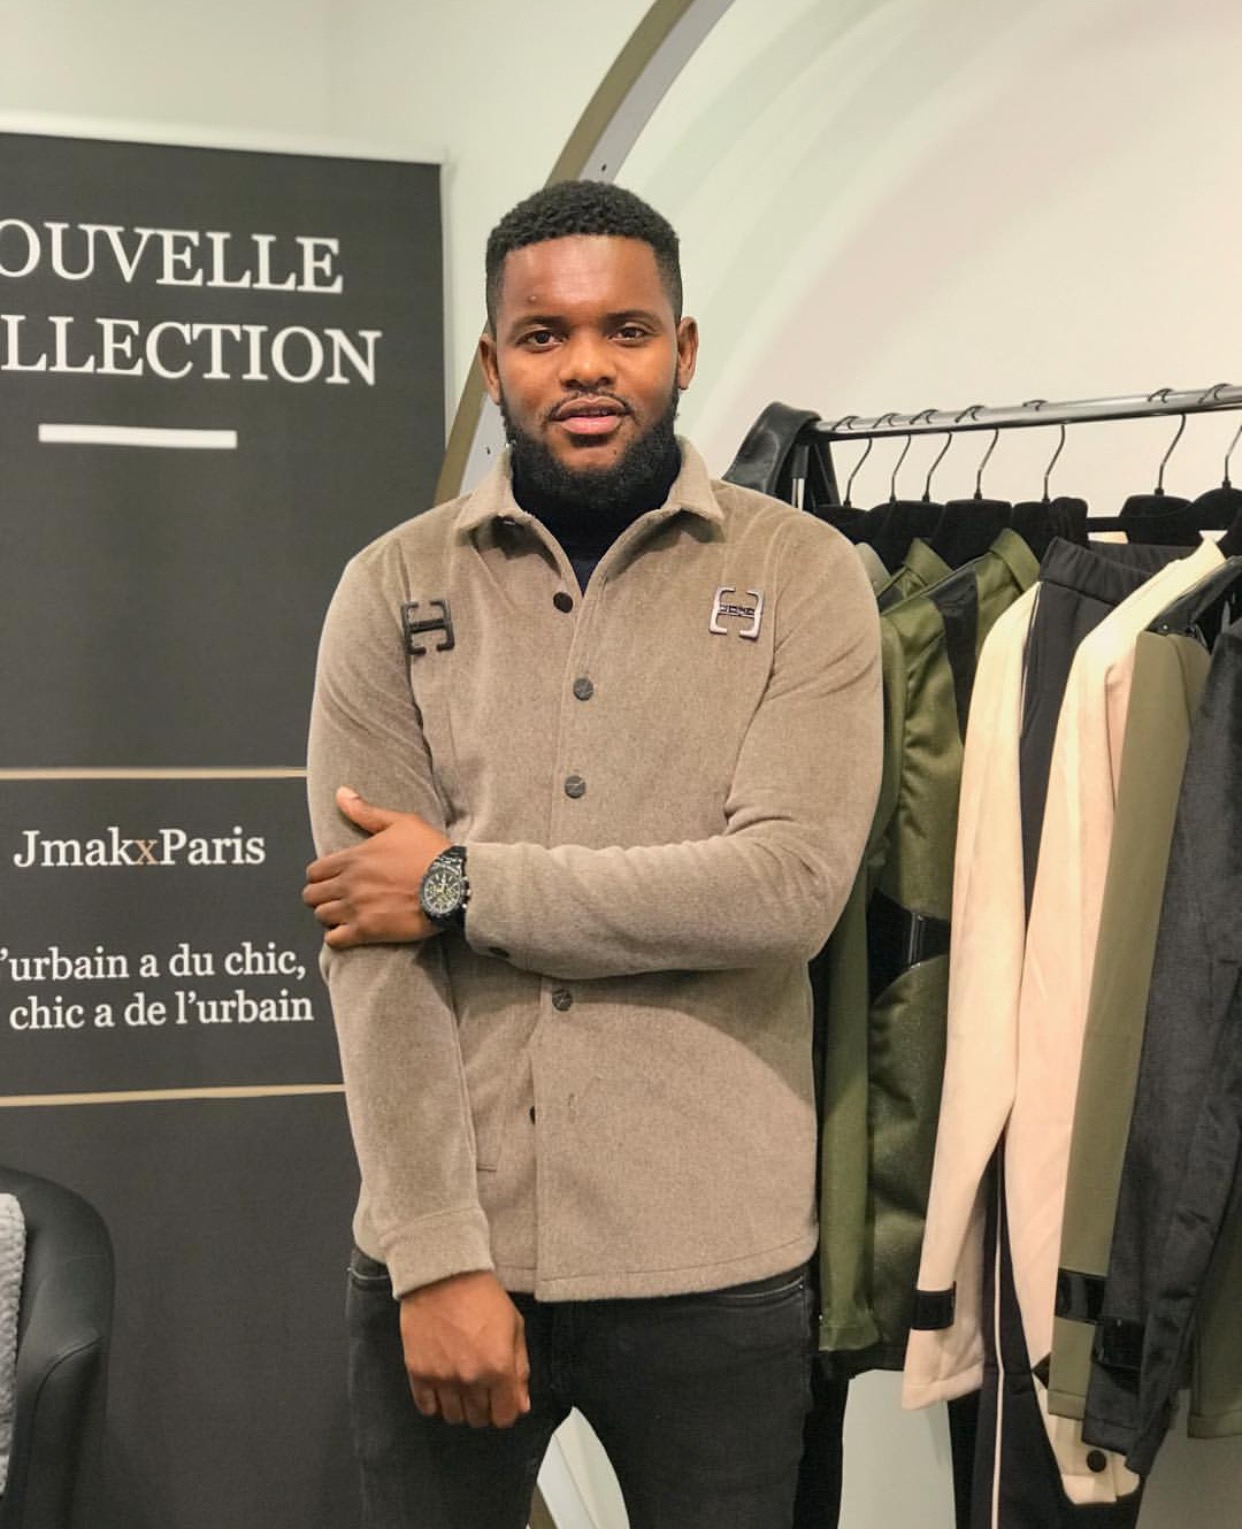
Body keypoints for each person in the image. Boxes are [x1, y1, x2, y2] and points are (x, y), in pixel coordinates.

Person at [302, 179, 881, 1529]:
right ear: (492, 361)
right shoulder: (391, 588)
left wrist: (460, 883)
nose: (585, 366)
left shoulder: (804, 576)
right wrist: (435, 1256)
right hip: (453, 1258)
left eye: (624, 330)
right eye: (544, 334)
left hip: (719, 1267)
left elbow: (784, 890)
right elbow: (370, 943)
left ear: (683, 347)